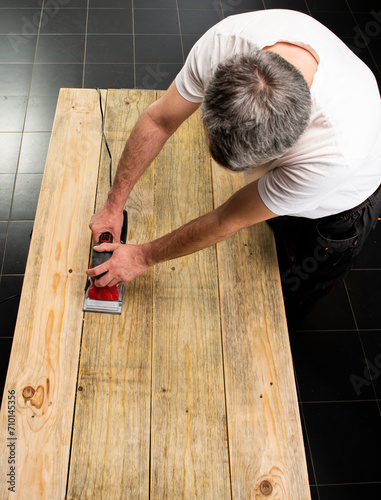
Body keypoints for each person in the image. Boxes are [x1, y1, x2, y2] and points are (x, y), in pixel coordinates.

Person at [86, 10, 381, 329]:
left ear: (287, 151)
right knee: (271, 223)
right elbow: (159, 120)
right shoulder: (222, 45)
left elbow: (227, 218)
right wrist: (113, 205)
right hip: (304, 177)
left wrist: (142, 257)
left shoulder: (332, 154)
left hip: (341, 207)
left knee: (301, 281)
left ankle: (288, 325)